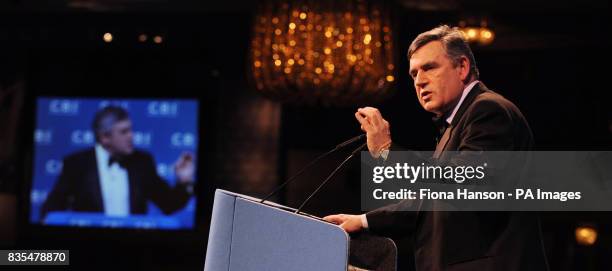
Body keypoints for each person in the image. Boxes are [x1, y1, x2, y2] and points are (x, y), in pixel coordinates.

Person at [324, 25, 548, 270]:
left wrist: (387, 150)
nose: (419, 81)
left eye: (429, 68)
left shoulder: (488, 111)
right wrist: (364, 221)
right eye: (413, 74)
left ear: (462, 67)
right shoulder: (456, 124)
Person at [41, 106, 194, 219]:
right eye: (124, 131)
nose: (131, 136)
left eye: (131, 130)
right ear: (104, 138)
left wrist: (184, 181)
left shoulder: (142, 161)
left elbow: (168, 205)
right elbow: (50, 211)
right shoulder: (76, 164)